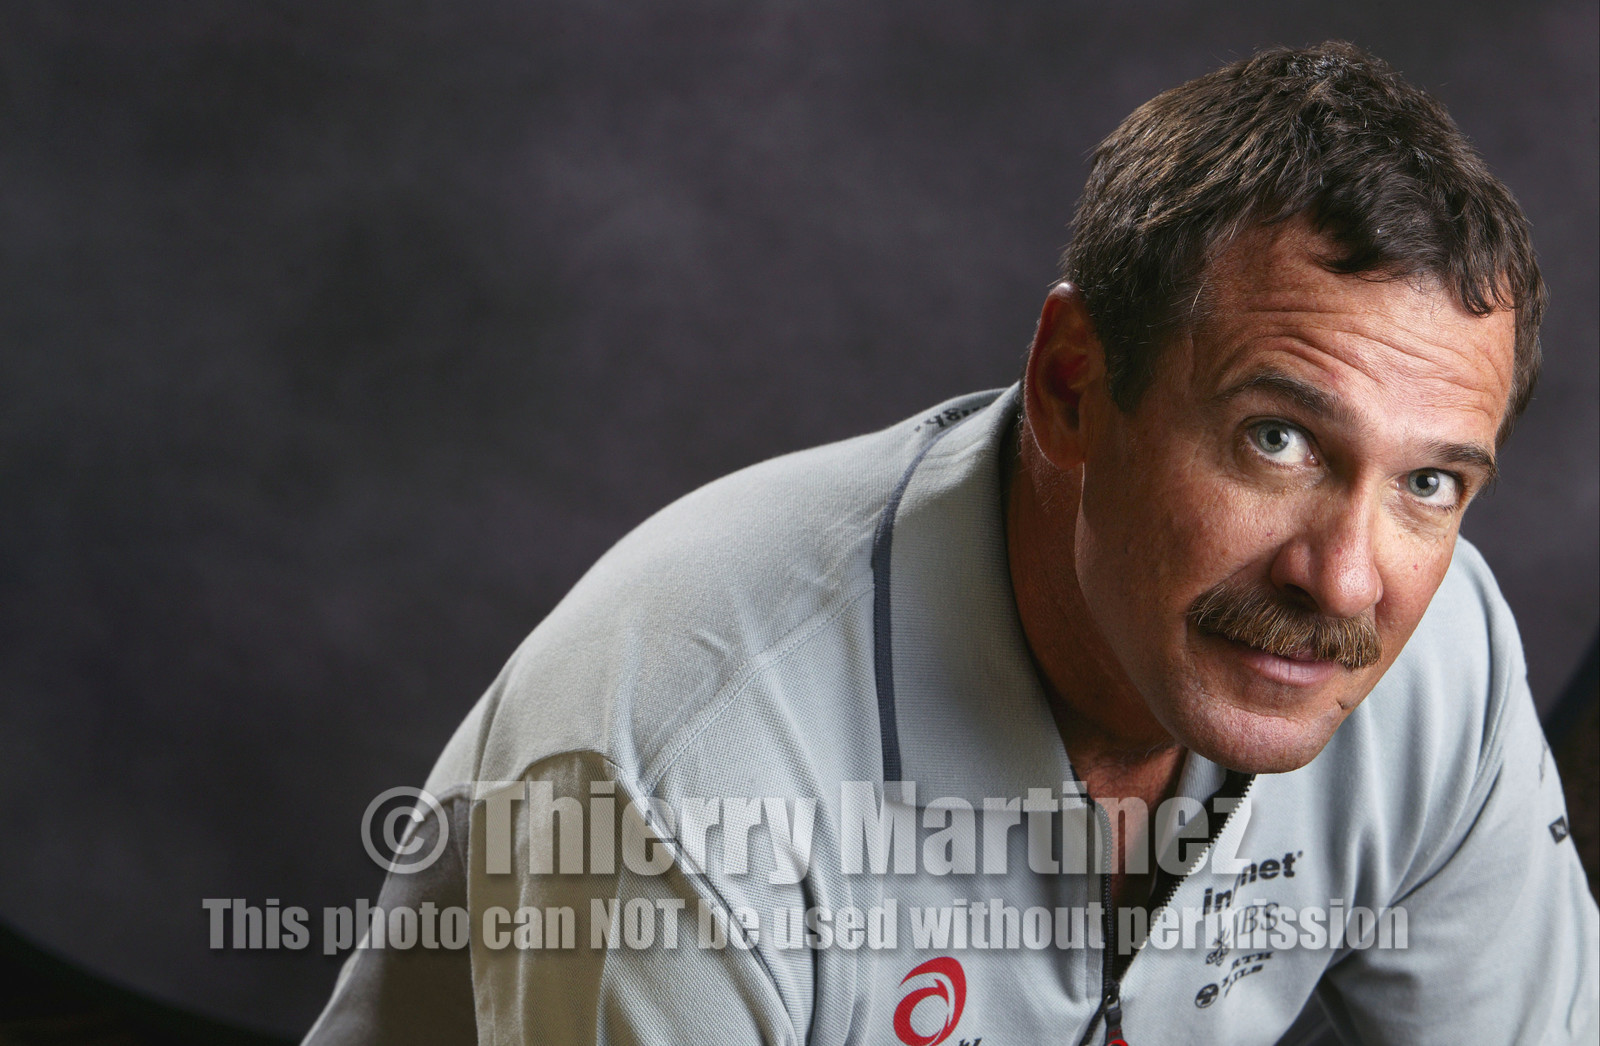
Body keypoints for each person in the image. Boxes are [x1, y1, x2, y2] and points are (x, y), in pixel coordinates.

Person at [305, 42, 1598, 1045]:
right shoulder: (690, 769)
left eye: (1429, 480)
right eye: (1276, 440)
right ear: (1074, 384)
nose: (1347, 575)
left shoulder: (1432, 654)